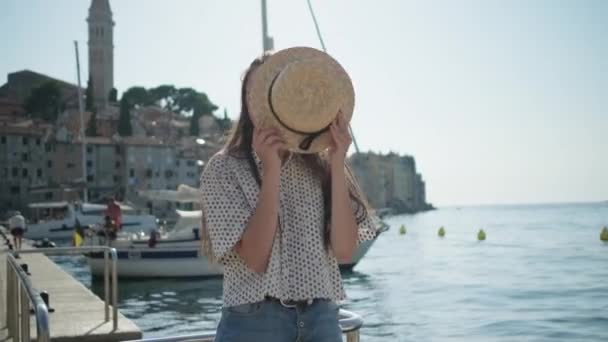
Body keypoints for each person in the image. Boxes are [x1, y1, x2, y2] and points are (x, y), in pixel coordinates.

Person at [200, 47, 377, 342]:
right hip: (254, 321)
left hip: (321, 317)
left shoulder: (321, 165)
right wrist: (272, 172)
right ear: (248, 102)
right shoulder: (223, 168)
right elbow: (256, 258)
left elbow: (345, 250)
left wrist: (336, 160)